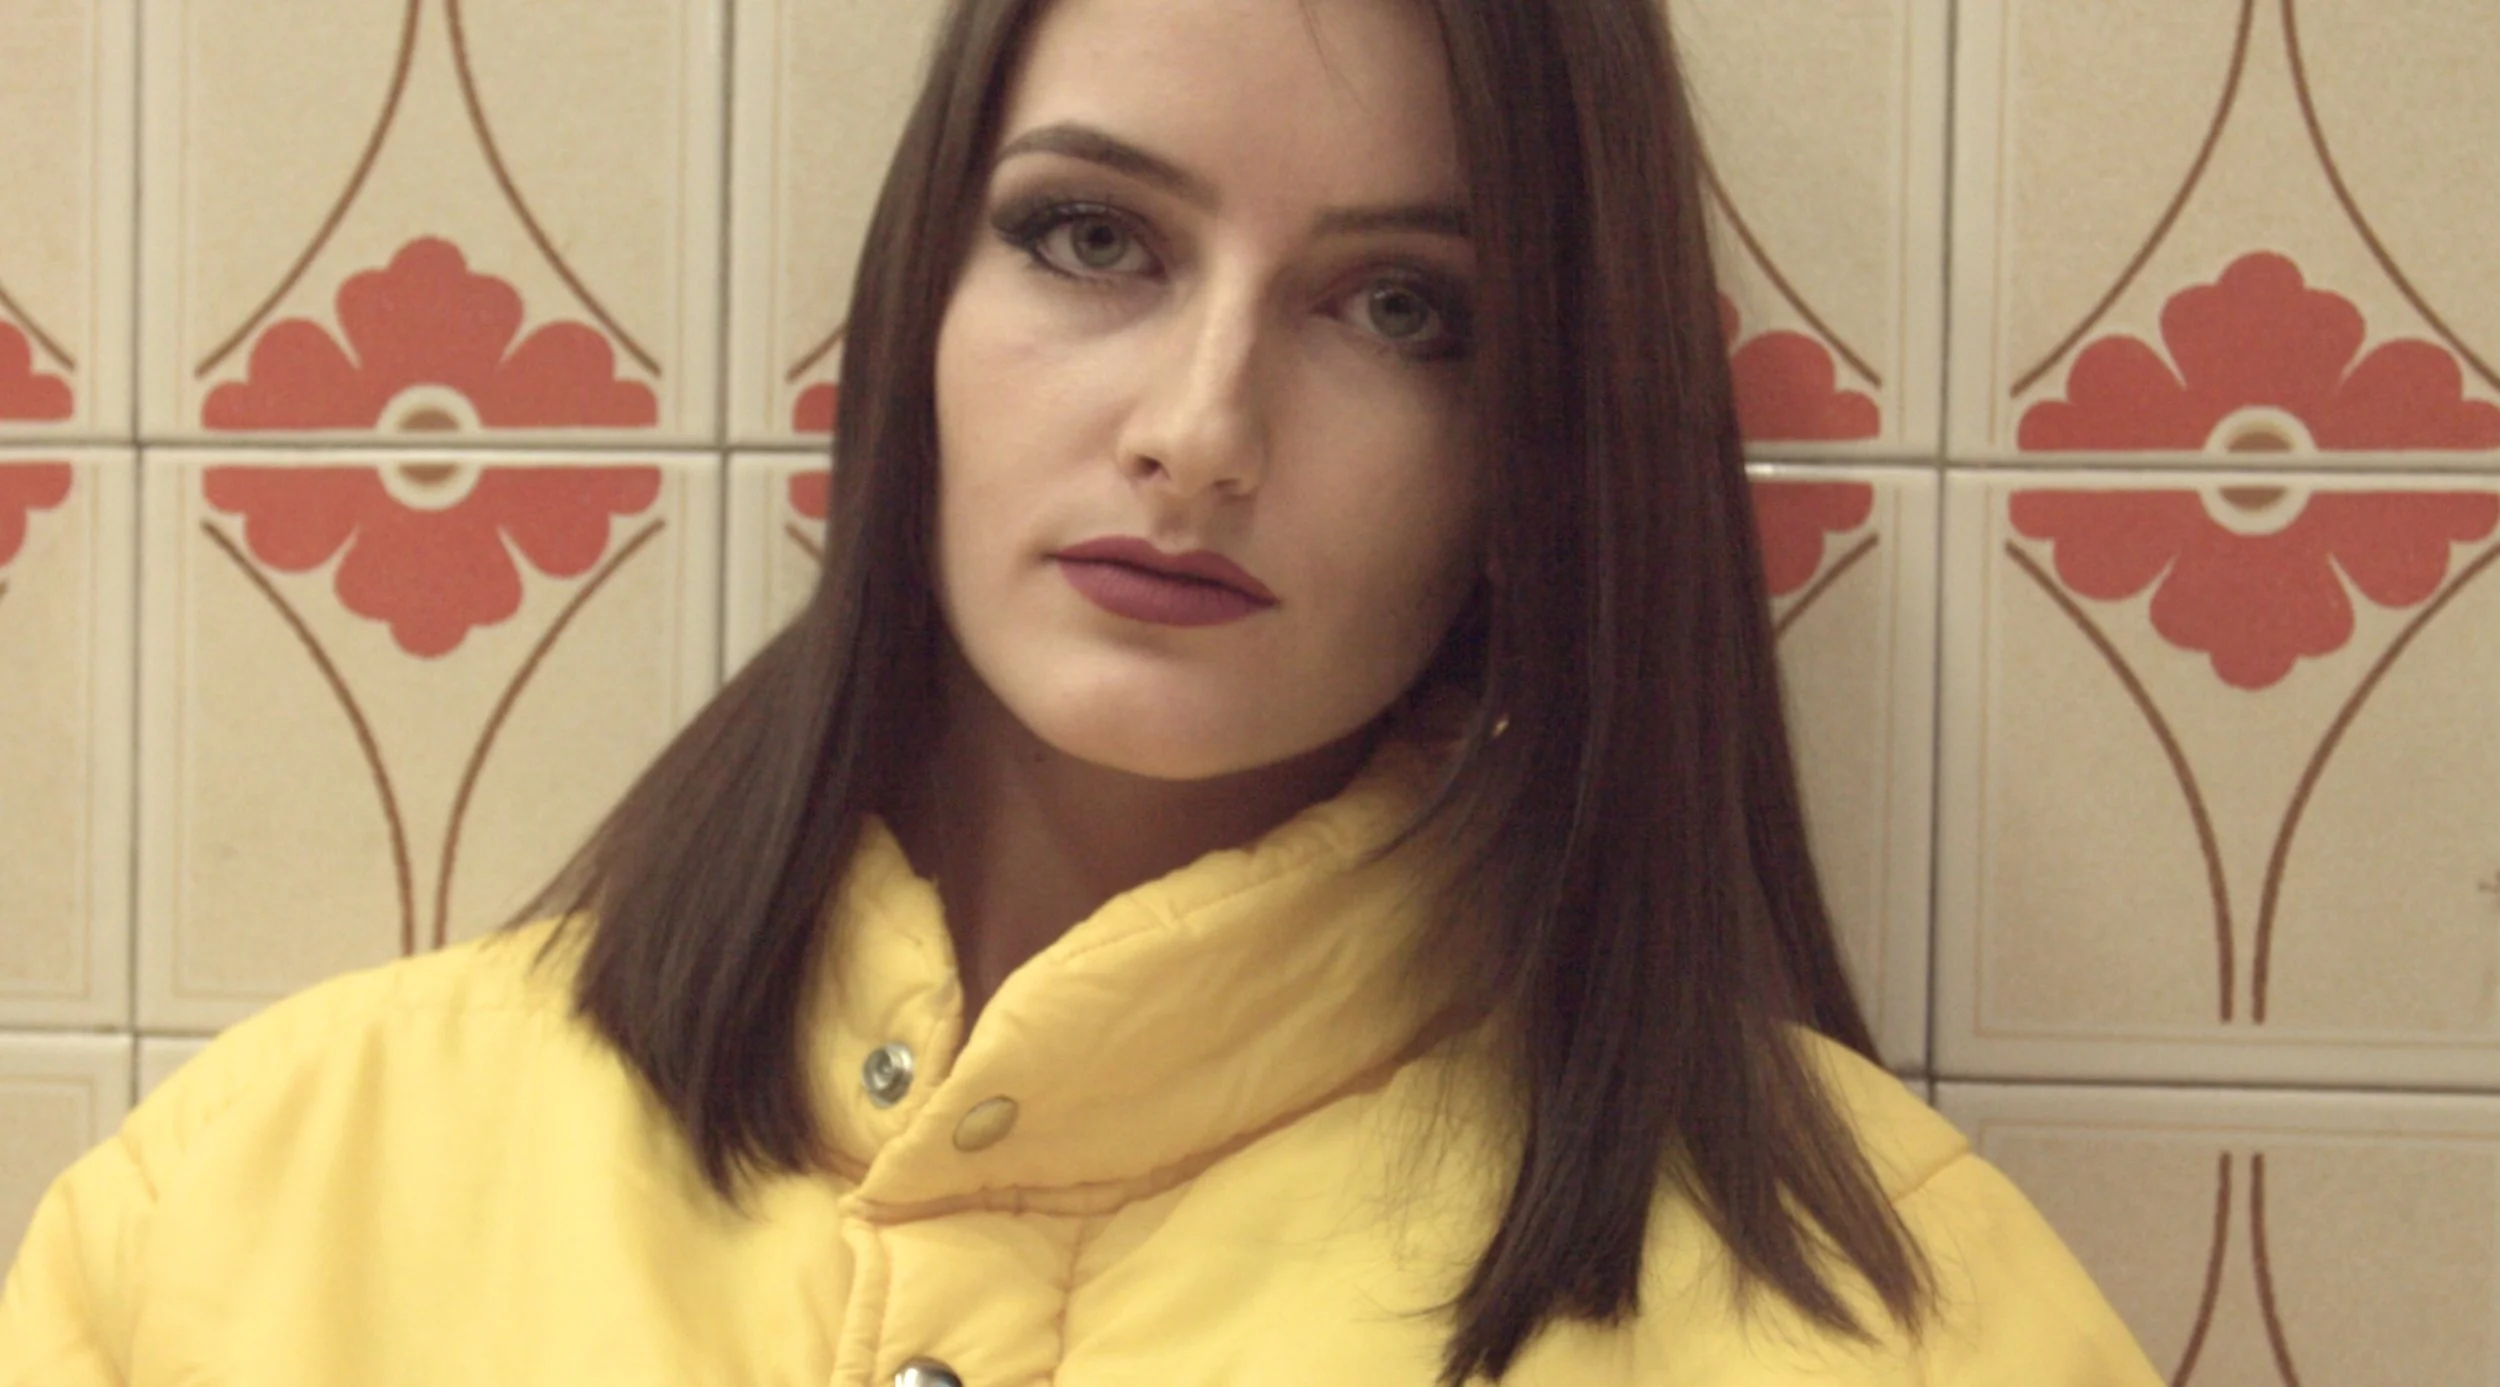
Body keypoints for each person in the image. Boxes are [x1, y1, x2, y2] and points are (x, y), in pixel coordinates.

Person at [1, 0, 2164, 1382]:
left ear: (1540, 451)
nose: (1198, 434)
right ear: (918, 312)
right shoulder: (252, 1212)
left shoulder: (1894, 1324)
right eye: (1094, 240)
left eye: (1403, 310)